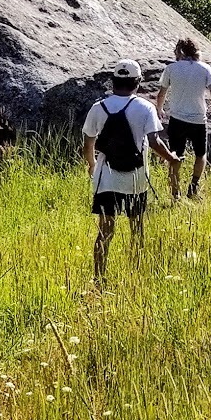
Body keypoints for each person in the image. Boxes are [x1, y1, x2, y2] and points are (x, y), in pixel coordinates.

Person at [82, 60, 180, 279]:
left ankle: (99, 277)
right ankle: (136, 274)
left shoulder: (98, 108)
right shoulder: (145, 108)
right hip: (136, 180)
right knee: (137, 229)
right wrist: (171, 159)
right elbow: (155, 142)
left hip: (106, 179)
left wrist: (92, 166)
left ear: (114, 81)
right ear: (137, 82)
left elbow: (88, 145)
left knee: (105, 231)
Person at [155, 36, 211, 200]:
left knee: (175, 154)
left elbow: (162, 92)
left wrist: (159, 109)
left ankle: (175, 192)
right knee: (200, 154)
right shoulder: (205, 69)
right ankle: (194, 185)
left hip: (177, 118)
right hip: (199, 119)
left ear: (179, 51)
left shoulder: (171, 68)